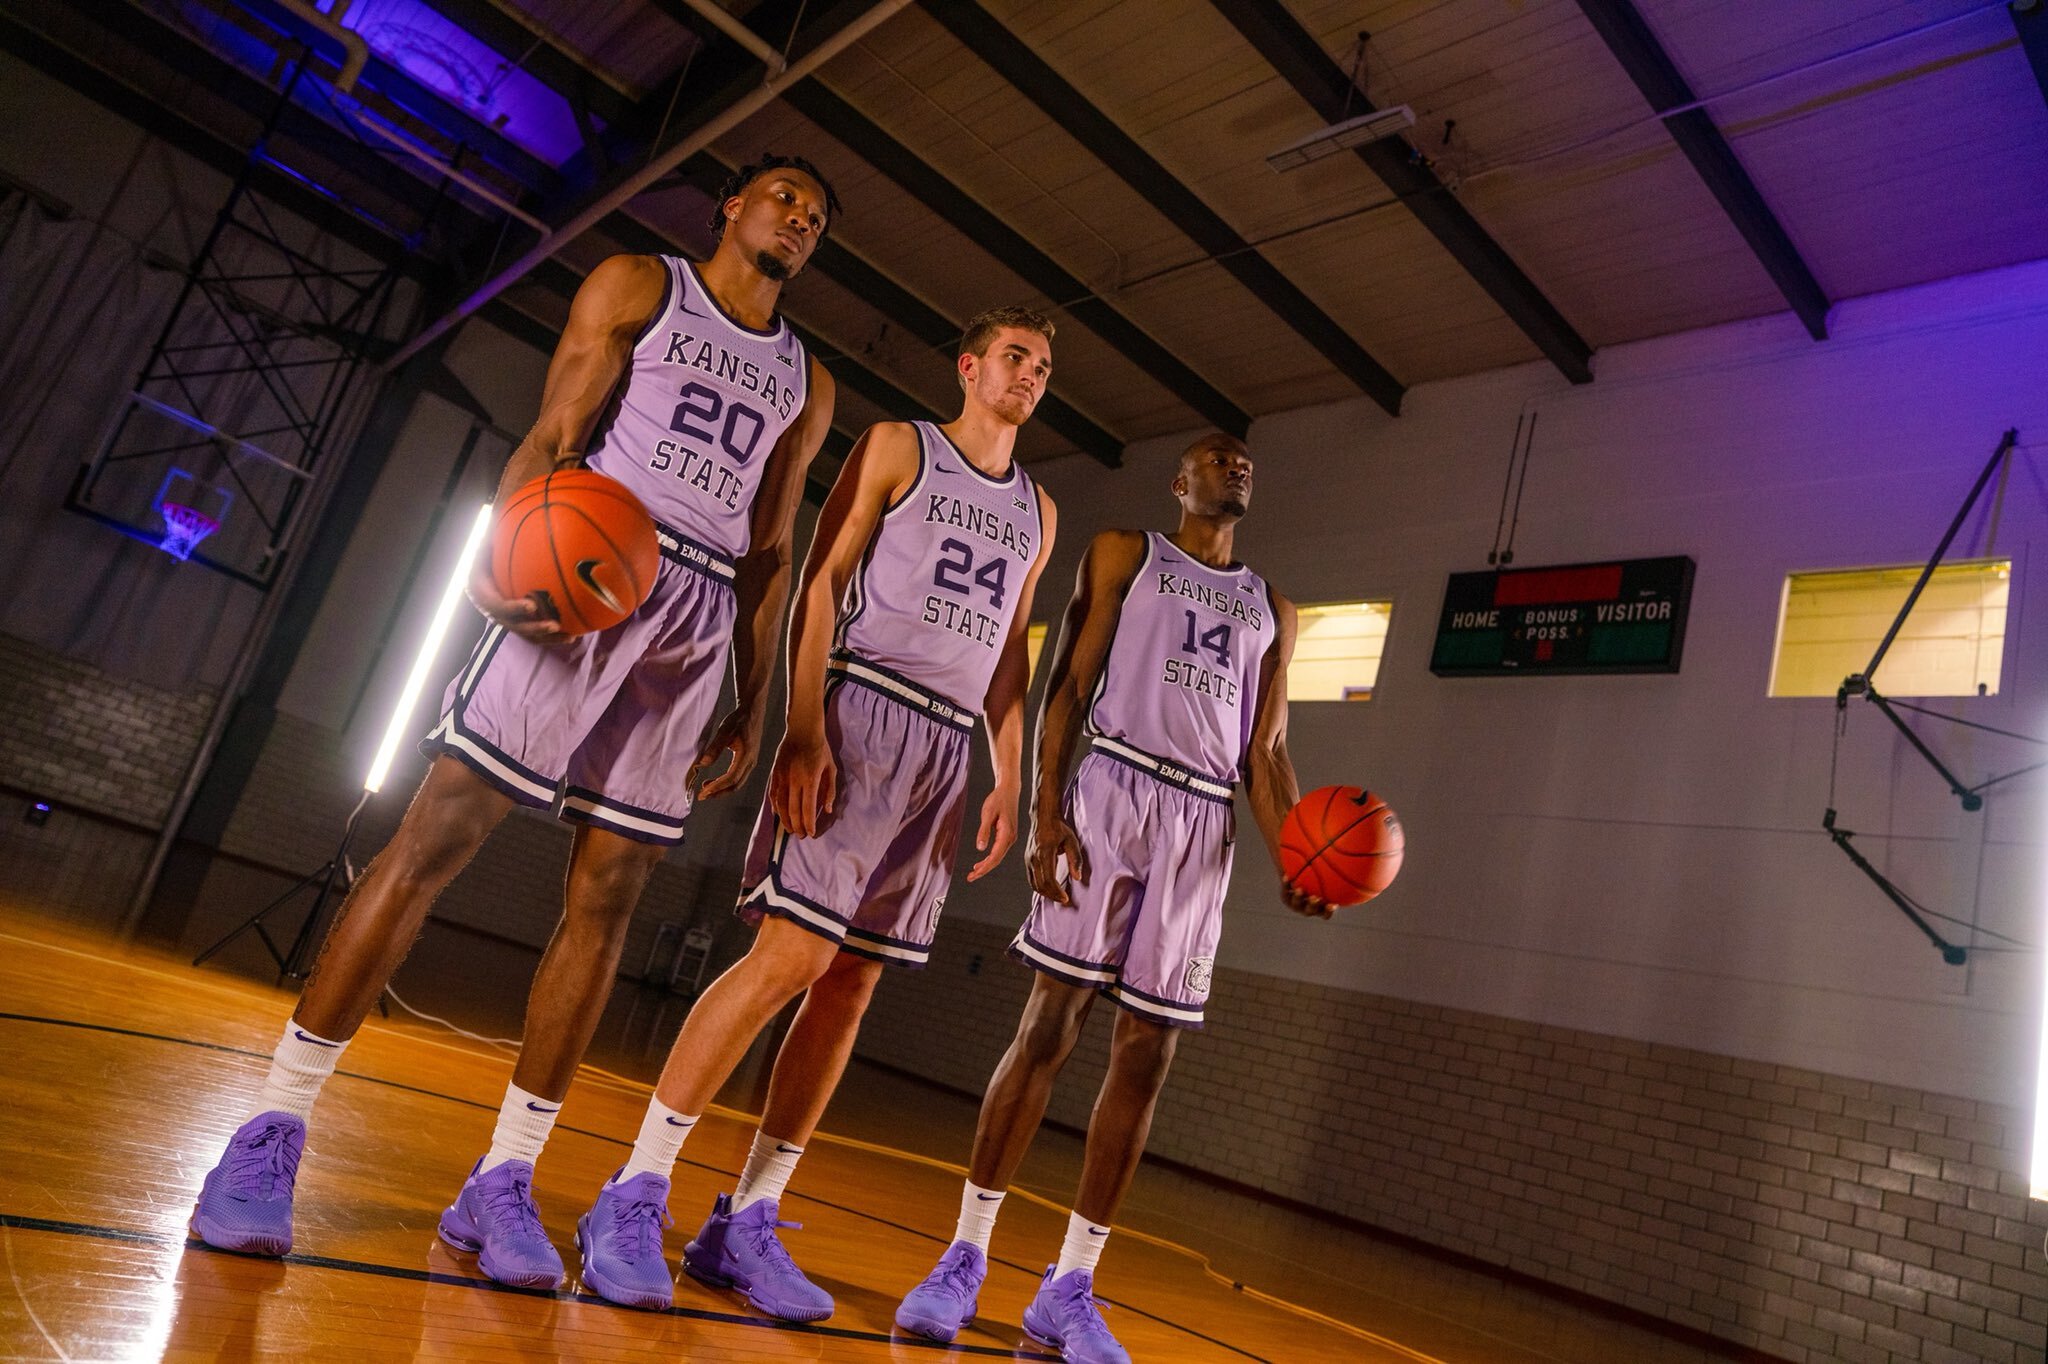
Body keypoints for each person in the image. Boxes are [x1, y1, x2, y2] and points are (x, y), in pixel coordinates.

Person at [189, 156, 841, 1291]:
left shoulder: (808, 377)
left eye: (817, 214)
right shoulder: (642, 283)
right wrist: (498, 551)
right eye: (784, 194)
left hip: (693, 620)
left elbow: (774, 544)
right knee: (431, 839)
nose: (800, 217)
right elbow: (554, 433)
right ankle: (269, 1133)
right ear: (729, 205)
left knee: (608, 896)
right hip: (586, 567)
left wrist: (752, 689)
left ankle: (502, 1178)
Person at [573, 306, 1060, 1317]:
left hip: (943, 748)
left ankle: (743, 1219)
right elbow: (821, 580)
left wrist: (1010, 771)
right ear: (968, 366)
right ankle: (635, 1186)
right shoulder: (899, 446)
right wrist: (803, 723)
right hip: (862, 710)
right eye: (1015, 356)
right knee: (789, 957)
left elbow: (1011, 649)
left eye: (1044, 366)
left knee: (848, 984)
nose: (1030, 375)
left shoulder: (1040, 512)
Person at [894, 432, 1331, 1363]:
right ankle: (964, 1257)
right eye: (1218, 458)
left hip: (1199, 822)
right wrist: (1048, 812)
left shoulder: (1273, 610)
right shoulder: (1126, 553)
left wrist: (1299, 856)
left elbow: (1268, 757)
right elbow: (1068, 686)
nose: (1238, 466)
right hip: (1113, 794)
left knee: (1147, 1056)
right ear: (1180, 481)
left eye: (1248, 460)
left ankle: (1070, 1288)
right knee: (1048, 1028)